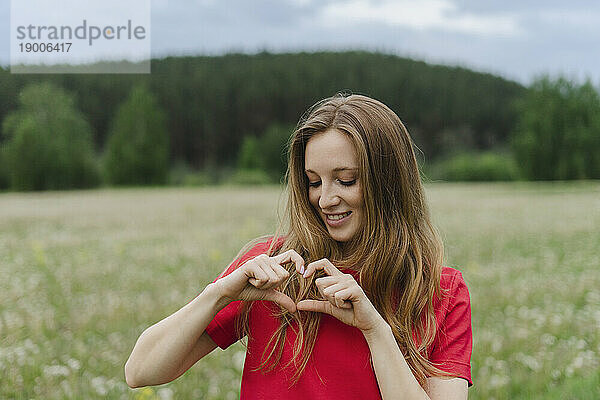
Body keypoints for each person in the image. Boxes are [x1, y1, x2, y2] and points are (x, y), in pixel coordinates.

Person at [125, 93, 473, 399]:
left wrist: (375, 328)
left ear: (388, 180)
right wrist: (217, 294)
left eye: (346, 180)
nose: (325, 199)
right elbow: (141, 372)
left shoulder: (441, 291)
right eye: (313, 182)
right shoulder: (273, 269)